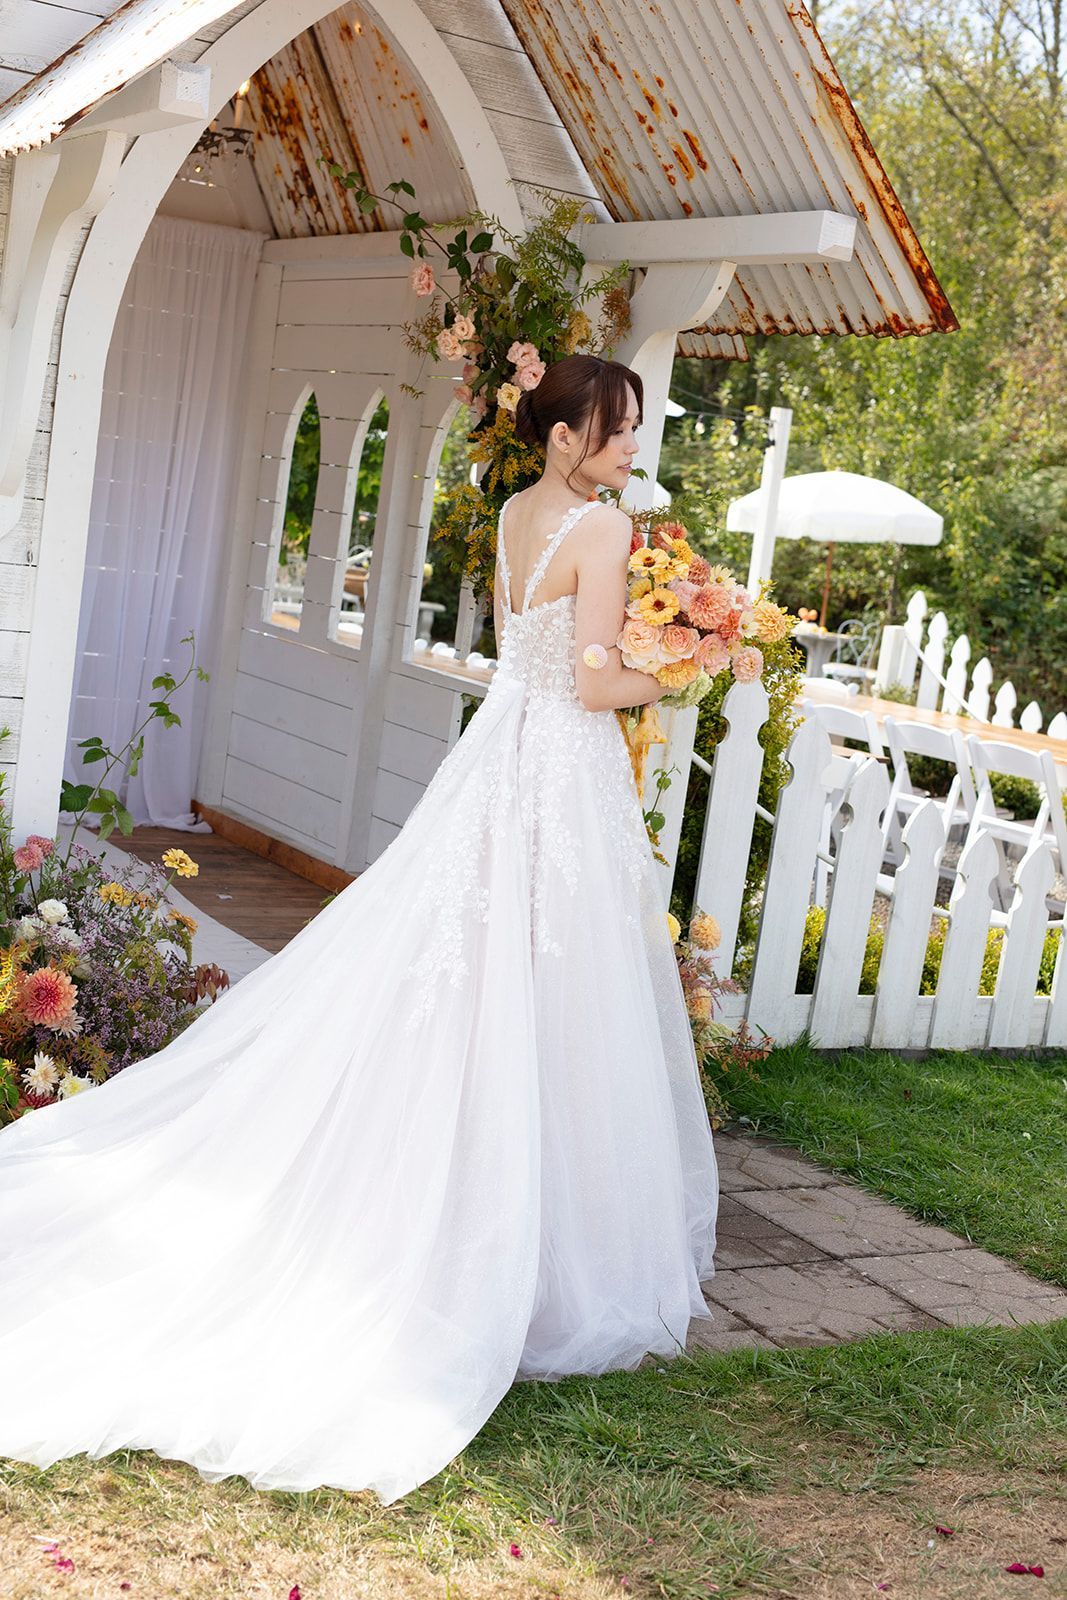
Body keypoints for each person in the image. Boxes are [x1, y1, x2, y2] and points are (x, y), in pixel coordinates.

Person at [0, 353, 719, 1506]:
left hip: (499, 757)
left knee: (476, 966)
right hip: (558, 766)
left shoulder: (515, 515)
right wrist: (688, 666)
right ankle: (533, 1246)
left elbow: (526, 656)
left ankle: (492, 1193)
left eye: (634, 425)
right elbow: (591, 685)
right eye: (618, 425)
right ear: (566, 434)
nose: (634, 443)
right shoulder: (601, 530)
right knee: (551, 979)